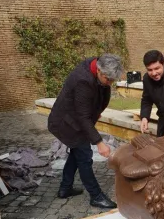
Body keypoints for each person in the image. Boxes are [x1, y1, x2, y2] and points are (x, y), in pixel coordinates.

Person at [48, 54, 123, 208]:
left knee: (76, 155)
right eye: (108, 80)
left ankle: (65, 188)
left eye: (112, 81)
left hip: (78, 119)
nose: (110, 83)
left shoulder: (98, 65)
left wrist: (98, 110)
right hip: (67, 122)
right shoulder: (82, 80)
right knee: (85, 156)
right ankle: (96, 196)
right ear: (99, 72)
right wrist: (99, 142)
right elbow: (82, 117)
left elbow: (101, 92)